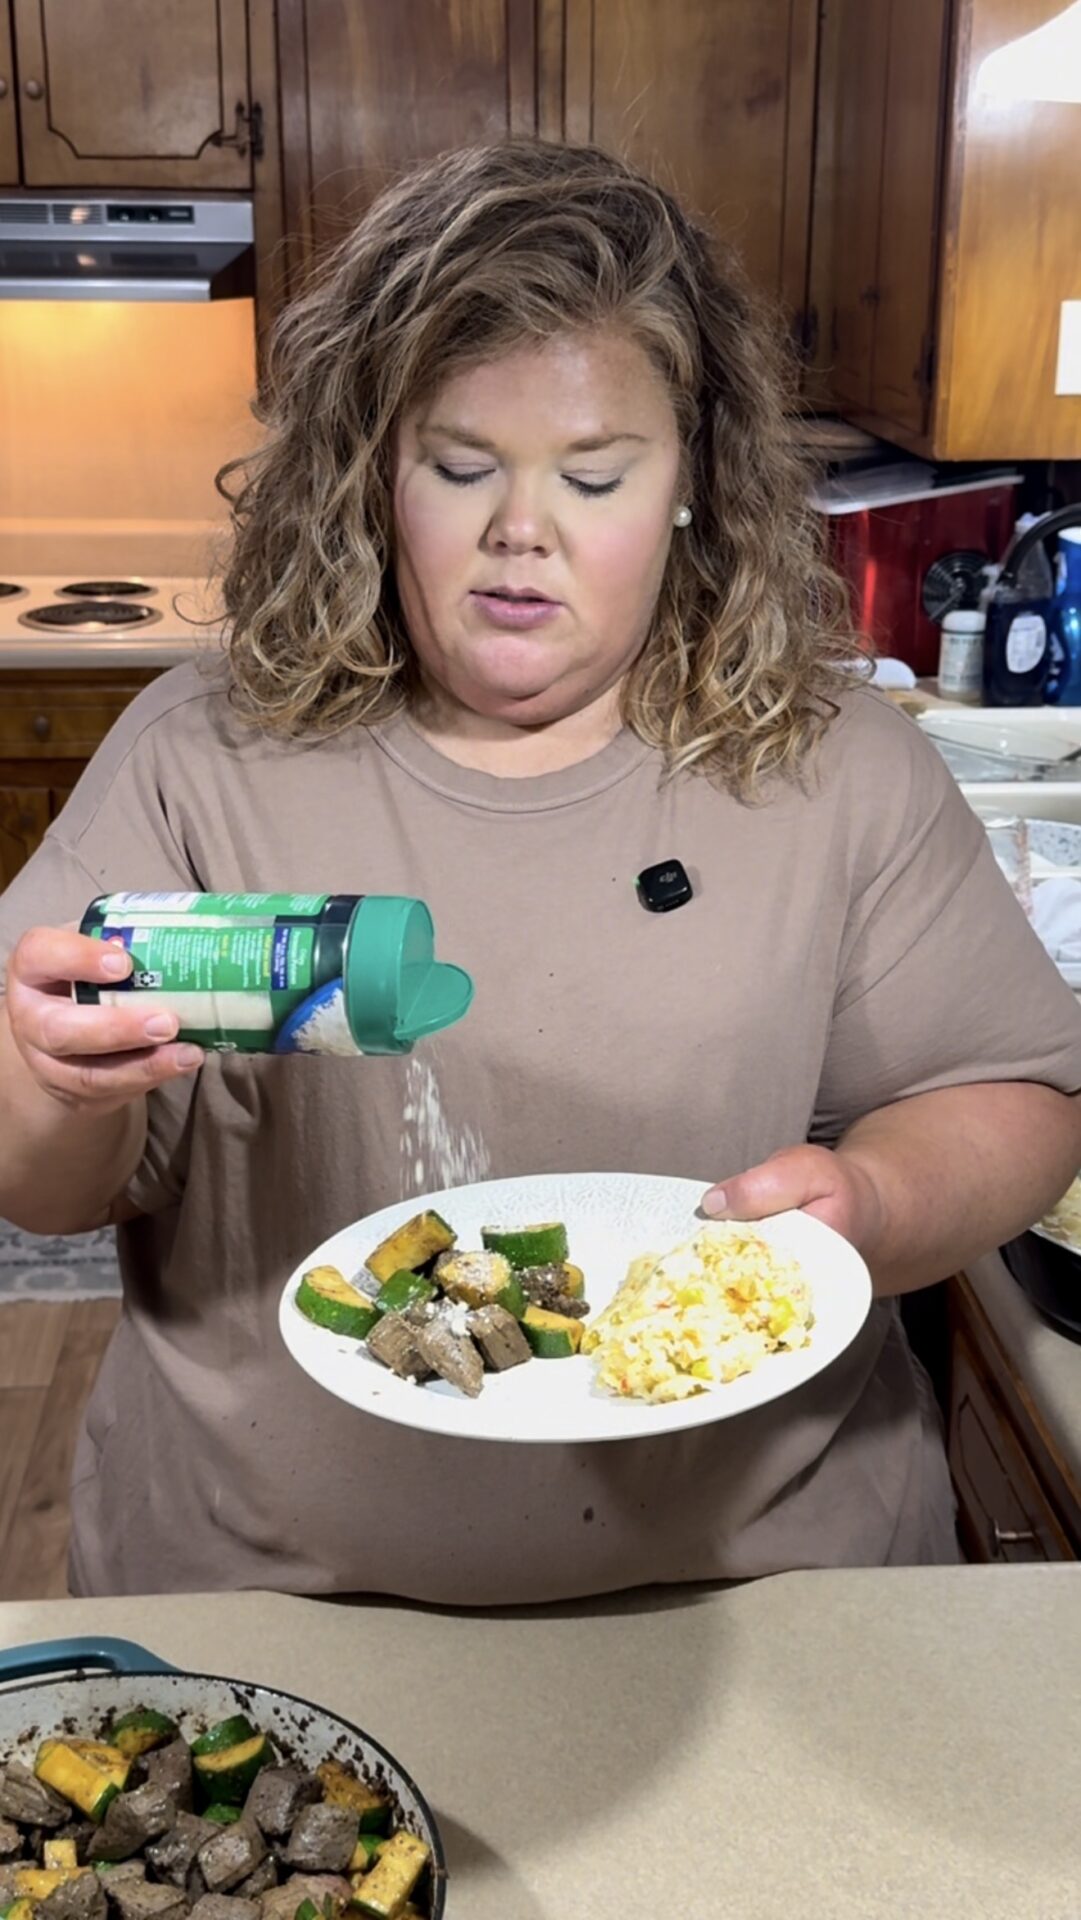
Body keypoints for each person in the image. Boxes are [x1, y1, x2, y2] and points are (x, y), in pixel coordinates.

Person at [1, 142, 1079, 1600]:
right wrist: (61, 1085)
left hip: (761, 1602)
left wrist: (870, 1208)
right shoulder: (203, 754)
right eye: (459, 467)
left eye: (592, 473)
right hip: (274, 1607)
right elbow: (44, 1189)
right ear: (370, 475)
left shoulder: (828, 762)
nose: (523, 533)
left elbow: (1012, 1098)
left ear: (691, 481)